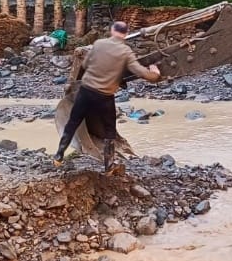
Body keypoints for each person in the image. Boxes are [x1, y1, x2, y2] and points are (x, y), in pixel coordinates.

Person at [52, 21, 160, 173]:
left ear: (111, 31)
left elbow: (85, 64)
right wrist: (154, 73)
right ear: (126, 33)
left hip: (86, 91)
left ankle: (58, 156)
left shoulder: (99, 44)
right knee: (110, 131)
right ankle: (108, 166)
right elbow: (141, 72)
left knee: (73, 122)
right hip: (105, 96)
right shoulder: (126, 52)